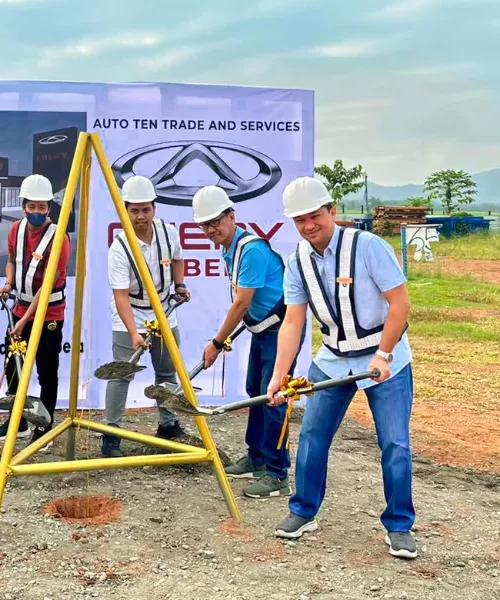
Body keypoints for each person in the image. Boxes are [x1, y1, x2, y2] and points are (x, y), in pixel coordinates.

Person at [266, 177, 416, 559]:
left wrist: (383, 354)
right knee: (313, 436)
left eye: (314, 216)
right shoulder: (297, 260)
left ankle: (399, 525)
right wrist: (279, 375)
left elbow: (400, 305)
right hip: (332, 357)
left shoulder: (368, 247)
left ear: (332, 211)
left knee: (394, 443)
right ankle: (303, 511)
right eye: (299, 220)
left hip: (383, 358)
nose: (308, 225)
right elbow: (293, 322)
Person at [191, 185, 299, 498]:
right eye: (205, 225)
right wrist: (227, 339)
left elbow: (241, 303)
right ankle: (257, 458)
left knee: (274, 397)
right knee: (256, 392)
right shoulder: (230, 248)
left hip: (280, 329)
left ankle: (278, 474)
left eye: (216, 222)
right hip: (262, 328)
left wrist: (216, 341)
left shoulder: (250, 249)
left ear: (231, 216)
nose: (211, 229)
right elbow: (248, 305)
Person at [101, 175, 191, 458]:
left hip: (164, 311)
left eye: (146, 209)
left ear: (155, 208)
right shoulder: (119, 248)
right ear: (125, 210)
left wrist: (180, 285)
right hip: (131, 312)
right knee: (121, 373)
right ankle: (112, 434)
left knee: (166, 371)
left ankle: (168, 423)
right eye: (134, 210)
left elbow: (177, 258)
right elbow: (120, 297)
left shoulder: (168, 232)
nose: (140, 216)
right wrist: (134, 333)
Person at [0, 174, 70, 450]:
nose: (36, 212)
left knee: (47, 371)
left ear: (49, 207)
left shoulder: (59, 237)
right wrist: (8, 283)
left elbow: (47, 287)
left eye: (42, 207)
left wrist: (24, 320)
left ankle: (44, 427)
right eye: (31, 206)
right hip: (19, 307)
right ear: (23, 205)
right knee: (13, 367)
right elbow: (11, 261)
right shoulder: (16, 230)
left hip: (49, 315)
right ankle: (18, 421)